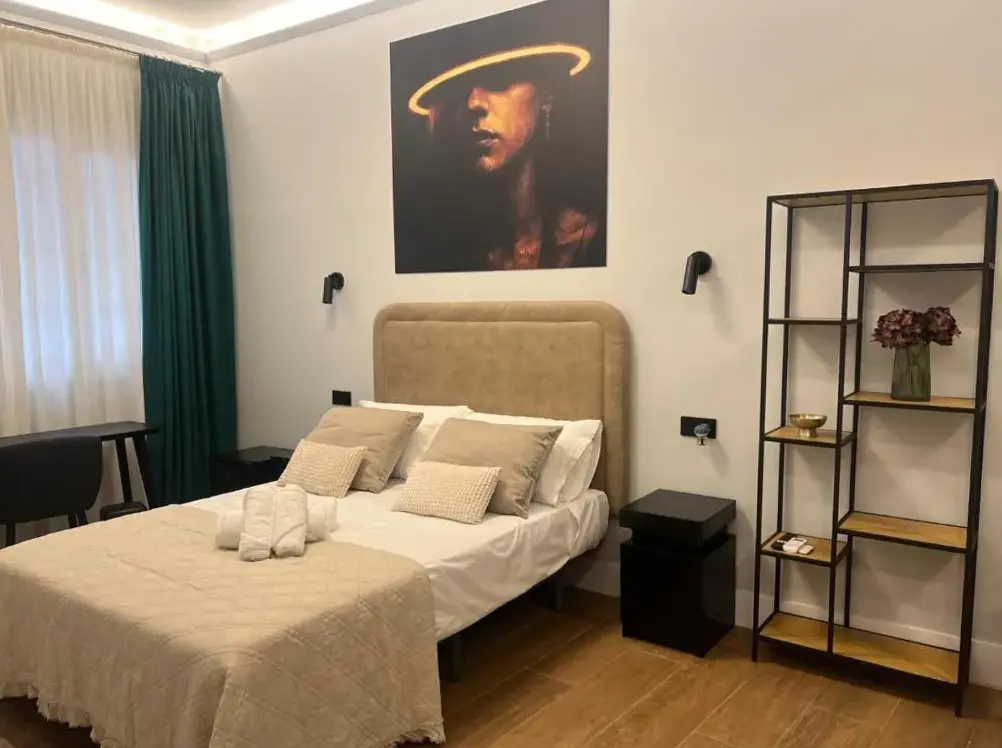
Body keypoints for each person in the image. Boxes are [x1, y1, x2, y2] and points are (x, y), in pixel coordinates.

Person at [403, 45, 604, 271]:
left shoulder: (594, 240)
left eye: (498, 78)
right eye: (461, 89)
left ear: (546, 94)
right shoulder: (438, 248)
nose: (473, 102)